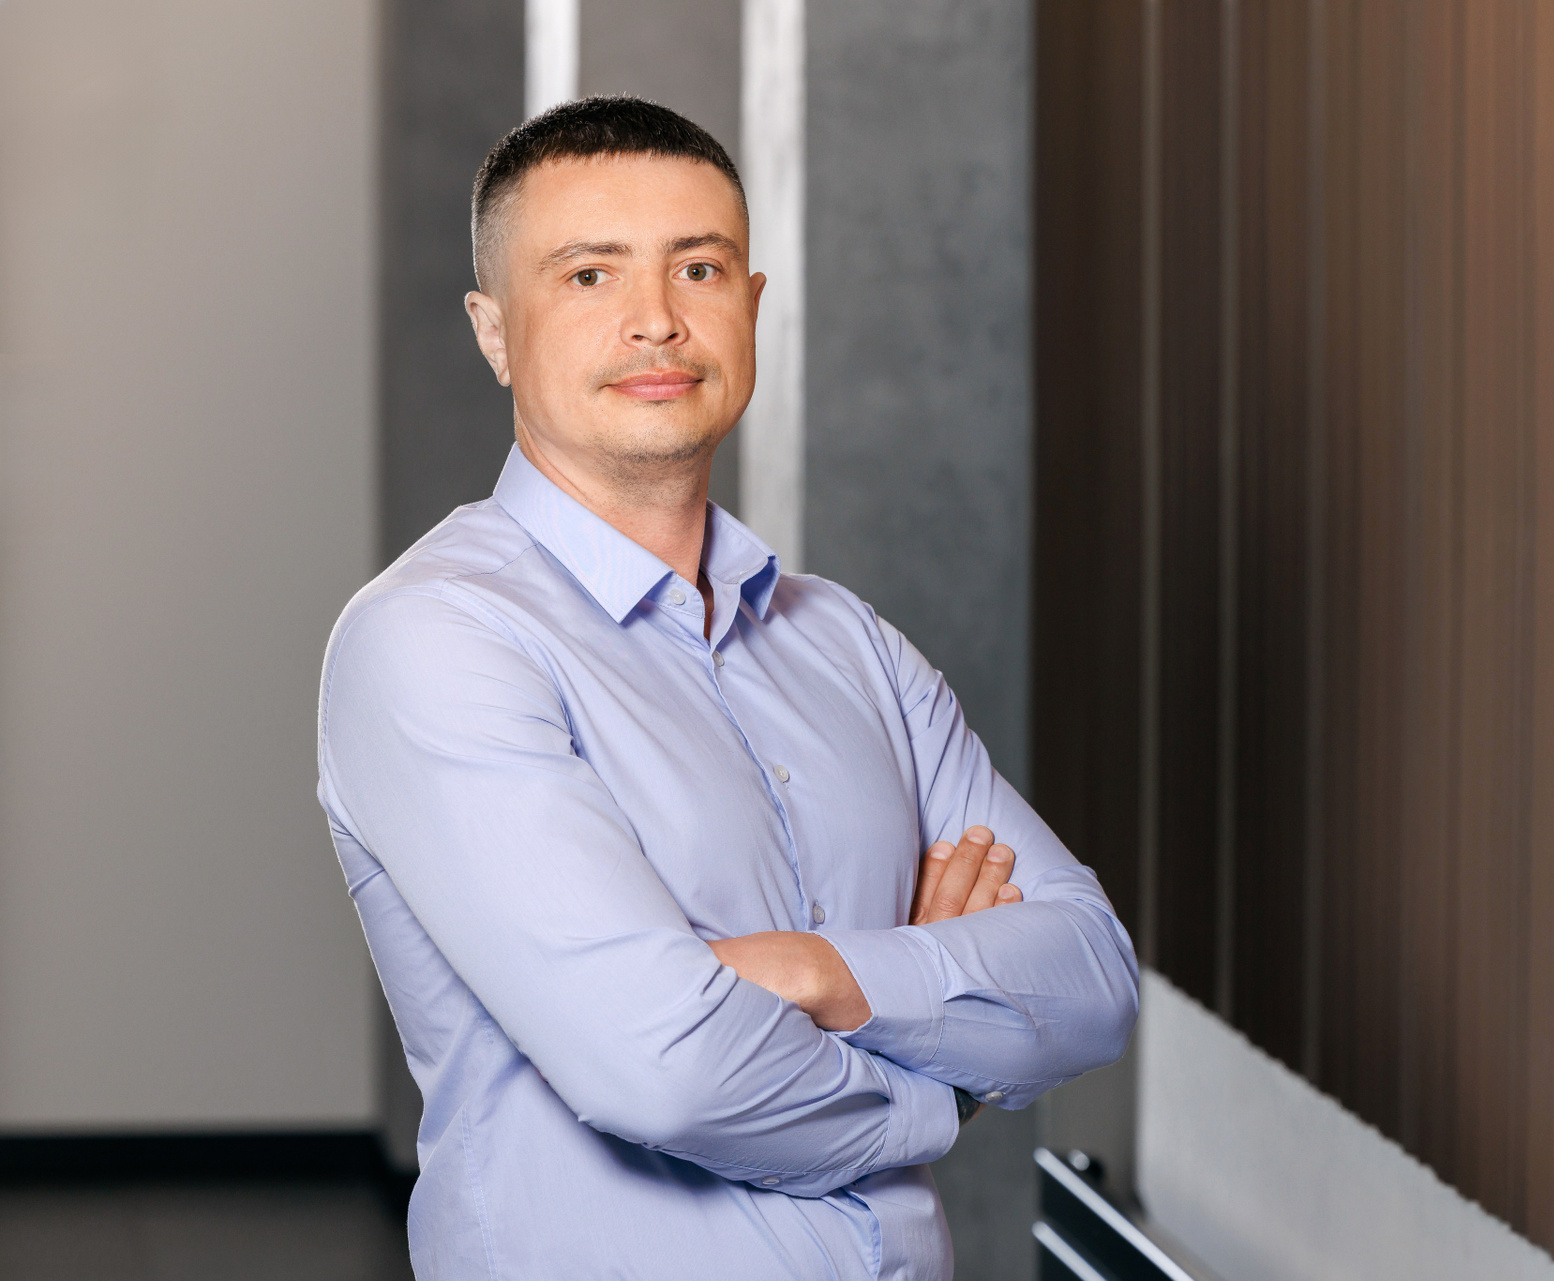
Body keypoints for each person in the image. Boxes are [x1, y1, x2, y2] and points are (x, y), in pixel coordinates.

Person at [317, 96, 1137, 1279]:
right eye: (590, 275)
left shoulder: (845, 643)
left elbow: (1093, 977)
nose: (657, 319)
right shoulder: (435, 640)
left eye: (698, 268)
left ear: (751, 306)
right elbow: (666, 1070)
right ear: (494, 332)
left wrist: (819, 972)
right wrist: (943, 1077)